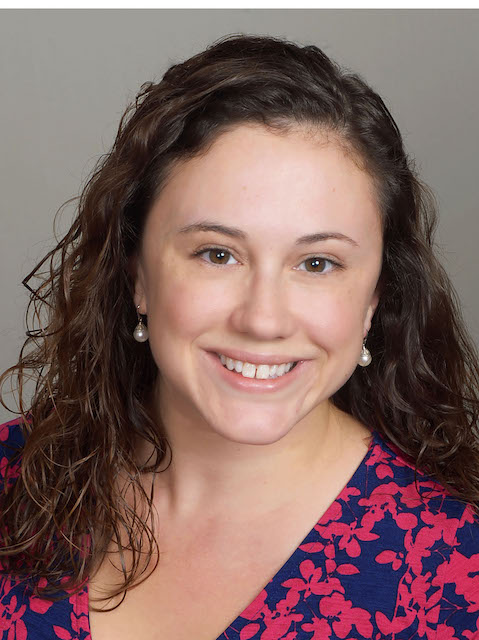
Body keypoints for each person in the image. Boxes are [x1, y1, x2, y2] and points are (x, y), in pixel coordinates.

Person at [1, 33, 479, 640]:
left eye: (318, 264)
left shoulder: (457, 574)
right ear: (138, 274)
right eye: (217, 254)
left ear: (375, 300)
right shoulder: (11, 483)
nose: (263, 319)